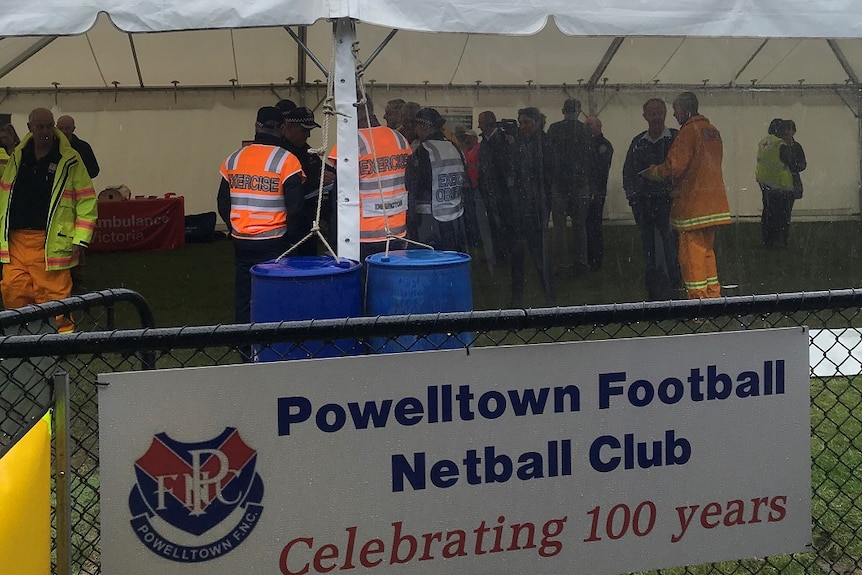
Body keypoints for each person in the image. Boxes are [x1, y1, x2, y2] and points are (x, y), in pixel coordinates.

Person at [0, 108, 97, 332]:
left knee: (54, 296)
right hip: (15, 240)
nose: (45, 131)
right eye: (40, 126)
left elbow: (86, 201)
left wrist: (81, 238)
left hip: (51, 240)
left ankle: (60, 345)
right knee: (14, 290)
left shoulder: (70, 160)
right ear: (29, 129)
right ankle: (21, 341)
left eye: (48, 126)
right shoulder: (17, 158)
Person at [217, 106, 305, 326]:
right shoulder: (287, 159)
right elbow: (295, 206)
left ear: (256, 126)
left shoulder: (233, 159)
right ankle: (273, 339)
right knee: (276, 292)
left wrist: (234, 226)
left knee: (244, 295)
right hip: (274, 240)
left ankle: (245, 342)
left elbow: (223, 202)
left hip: (242, 241)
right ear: (283, 129)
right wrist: (292, 238)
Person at [645, 92, 731, 299]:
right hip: (713, 203)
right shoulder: (712, 131)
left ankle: (698, 303)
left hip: (693, 204)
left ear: (685, 110)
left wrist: (653, 172)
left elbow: (675, 166)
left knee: (691, 256)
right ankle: (713, 296)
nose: (674, 115)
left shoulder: (688, 132)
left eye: (676, 111)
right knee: (707, 252)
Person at [327, 97, 411, 260]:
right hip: (396, 231)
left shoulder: (350, 143)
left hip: (361, 236)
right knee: (390, 280)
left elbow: (340, 195)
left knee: (363, 282)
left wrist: (334, 236)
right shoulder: (399, 138)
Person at [622, 98, 682, 300]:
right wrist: (634, 199)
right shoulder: (638, 142)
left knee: (672, 247)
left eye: (659, 112)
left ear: (665, 114)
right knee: (649, 250)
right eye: (652, 113)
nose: (656, 117)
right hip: (645, 206)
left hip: (670, 205)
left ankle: (675, 290)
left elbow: (686, 168)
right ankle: (654, 292)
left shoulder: (676, 138)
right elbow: (628, 173)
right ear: (645, 116)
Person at [509, 106, 555, 307]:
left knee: (539, 253)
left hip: (537, 204)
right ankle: (516, 296)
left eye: (526, 122)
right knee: (517, 252)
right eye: (521, 123)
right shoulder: (520, 144)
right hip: (520, 203)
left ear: (536, 123)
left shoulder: (544, 143)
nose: (523, 126)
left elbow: (548, 172)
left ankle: (549, 296)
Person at [405, 107, 467, 252]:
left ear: (424, 126)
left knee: (428, 262)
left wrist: (411, 218)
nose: (416, 131)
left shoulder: (424, 150)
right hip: (453, 217)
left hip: (428, 220)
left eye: (417, 126)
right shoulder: (454, 147)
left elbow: (415, 184)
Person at [546, 98, 594, 277]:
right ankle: (581, 262)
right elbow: (590, 158)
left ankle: (561, 263)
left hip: (559, 183)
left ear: (563, 110)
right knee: (580, 226)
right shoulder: (585, 130)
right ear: (579, 110)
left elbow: (549, 156)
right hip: (580, 183)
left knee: (559, 227)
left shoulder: (554, 129)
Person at [281, 106, 331, 256]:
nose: (308, 135)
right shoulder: (281, 153)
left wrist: (331, 174)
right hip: (289, 220)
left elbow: (322, 166)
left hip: (308, 217)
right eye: (304, 130)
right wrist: (318, 180)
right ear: (289, 127)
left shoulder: (304, 149)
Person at [477, 111, 514, 263]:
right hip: (489, 189)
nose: (478, 125)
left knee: (502, 223)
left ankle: (503, 254)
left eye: (481, 122)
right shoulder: (487, 140)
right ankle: (497, 253)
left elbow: (503, 166)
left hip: (500, 190)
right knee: (492, 223)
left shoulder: (501, 140)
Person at [584, 115, 613, 271]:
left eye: (590, 125)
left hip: (596, 192)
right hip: (587, 190)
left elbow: (600, 170)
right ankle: (588, 257)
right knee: (587, 225)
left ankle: (596, 259)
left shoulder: (603, 145)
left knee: (594, 226)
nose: (587, 128)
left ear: (598, 126)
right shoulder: (585, 144)